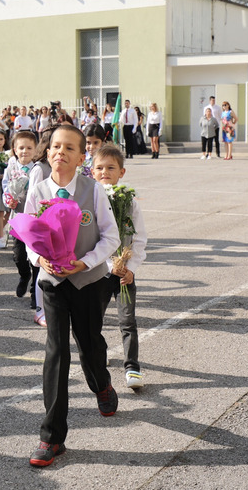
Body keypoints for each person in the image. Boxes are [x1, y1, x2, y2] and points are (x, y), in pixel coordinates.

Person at [25, 125, 120, 468]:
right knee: (56, 353)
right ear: (48, 152)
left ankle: (102, 385)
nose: (60, 152)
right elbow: (27, 240)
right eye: (55, 146)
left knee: (90, 345)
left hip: (88, 281)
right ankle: (52, 437)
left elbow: (111, 238)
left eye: (69, 148)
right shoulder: (37, 190)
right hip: (53, 284)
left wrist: (85, 261)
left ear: (82, 158)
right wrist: (41, 260)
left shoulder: (93, 191)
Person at [90, 144, 148, 390]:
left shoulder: (129, 200)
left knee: (128, 321)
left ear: (121, 172)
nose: (105, 172)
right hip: (100, 273)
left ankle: (132, 366)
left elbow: (140, 238)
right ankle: (99, 356)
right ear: (92, 172)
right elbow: (88, 240)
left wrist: (130, 267)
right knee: (95, 321)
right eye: (100, 168)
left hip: (124, 274)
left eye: (111, 168)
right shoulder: (90, 201)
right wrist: (106, 263)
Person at [2, 130, 40, 321]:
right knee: (19, 255)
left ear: (35, 150)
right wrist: (8, 200)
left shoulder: (37, 169)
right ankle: (23, 276)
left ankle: (35, 291)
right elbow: (5, 186)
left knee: (35, 258)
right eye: (21, 147)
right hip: (17, 218)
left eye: (29, 148)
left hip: (32, 220)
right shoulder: (11, 166)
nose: (24, 151)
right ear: (15, 149)